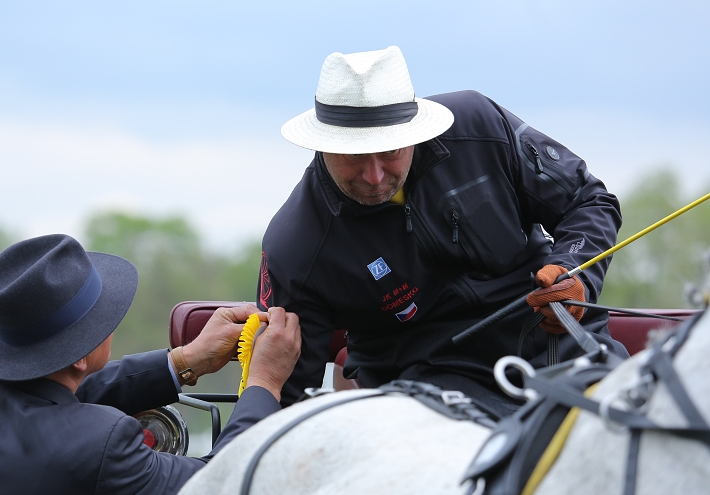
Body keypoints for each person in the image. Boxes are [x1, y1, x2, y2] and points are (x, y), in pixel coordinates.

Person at [259, 46, 627, 411]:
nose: (374, 176)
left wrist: (576, 272)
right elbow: (287, 392)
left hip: (561, 345)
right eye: (353, 156)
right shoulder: (294, 246)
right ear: (322, 144)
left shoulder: (480, 125)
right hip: (425, 390)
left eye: (390, 151)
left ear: (414, 132)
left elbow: (588, 200)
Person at [0, 234, 301, 495]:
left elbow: (45, 400)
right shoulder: (100, 449)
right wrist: (264, 382)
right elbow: (224, 487)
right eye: (103, 317)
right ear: (81, 357)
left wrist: (184, 362)